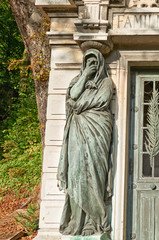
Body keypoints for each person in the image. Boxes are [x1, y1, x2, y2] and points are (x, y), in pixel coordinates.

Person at [57, 49, 114, 236]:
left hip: (98, 131)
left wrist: (79, 106)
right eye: (88, 62)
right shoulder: (77, 82)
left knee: (95, 174)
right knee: (76, 173)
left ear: (101, 64)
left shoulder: (105, 82)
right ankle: (76, 222)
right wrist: (85, 77)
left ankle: (93, 221)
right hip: (78, 132)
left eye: (95, 62)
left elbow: (102, 100)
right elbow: (72, 95)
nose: (93, 65)